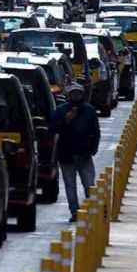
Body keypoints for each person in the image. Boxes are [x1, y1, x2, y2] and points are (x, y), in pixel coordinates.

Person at [49, 83, 101, 221]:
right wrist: (65, 120)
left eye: (78, 93)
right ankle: (74, 212)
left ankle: (91, 211)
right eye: (73, 94)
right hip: (66, 155)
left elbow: (95, 131)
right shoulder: (61, 110)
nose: (76, 96)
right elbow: (52, 129)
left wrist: (93, 148)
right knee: (70, 185)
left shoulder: (89, 110)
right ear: (69, 95)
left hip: (84, 155)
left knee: (89, 184)